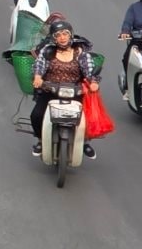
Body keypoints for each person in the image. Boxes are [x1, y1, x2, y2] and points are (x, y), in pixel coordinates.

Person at [29, 19, 99, 159]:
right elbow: (39, 65)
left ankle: (84, 142)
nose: (62, 38)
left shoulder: (80, 52)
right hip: (50, 90)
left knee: (87, 118)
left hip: (75, 91)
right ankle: (41, 140)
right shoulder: (47, 51)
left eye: (65, 34)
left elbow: (89, 70)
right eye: (58, 35)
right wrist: (38, 77)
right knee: (36, 115)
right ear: (54, 37)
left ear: (70, 35)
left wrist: (93, 82)